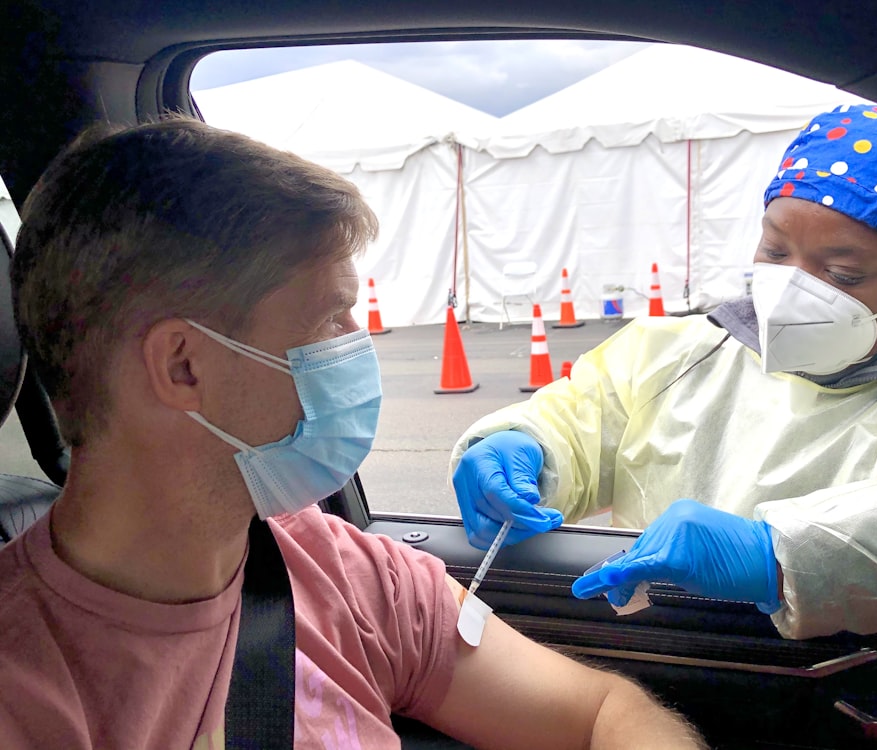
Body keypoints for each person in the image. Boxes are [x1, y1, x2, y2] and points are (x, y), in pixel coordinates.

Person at [0, 118, 707, 749]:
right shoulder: (27, 686)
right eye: (330, 320)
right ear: (184, 366)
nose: (357, 346)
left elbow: (603, 713)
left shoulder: (344, 571)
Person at [451, 102, 877, 641]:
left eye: (843, 274)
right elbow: (580, 418)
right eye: (775, 249)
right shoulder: (674, 352)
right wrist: (529, 449)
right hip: (660, 638)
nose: (792, 288)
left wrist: (785, 555)